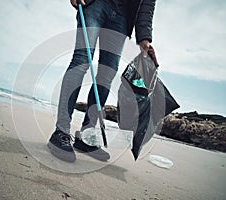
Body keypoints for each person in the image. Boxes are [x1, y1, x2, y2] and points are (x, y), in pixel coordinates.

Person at [47, 0, 157, 162]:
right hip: (96, 4)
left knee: (107, 73)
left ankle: (86, 136)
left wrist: (145, 37)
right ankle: (61, 131)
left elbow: (147, 4)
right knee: (81, 60)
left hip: (123, 17)